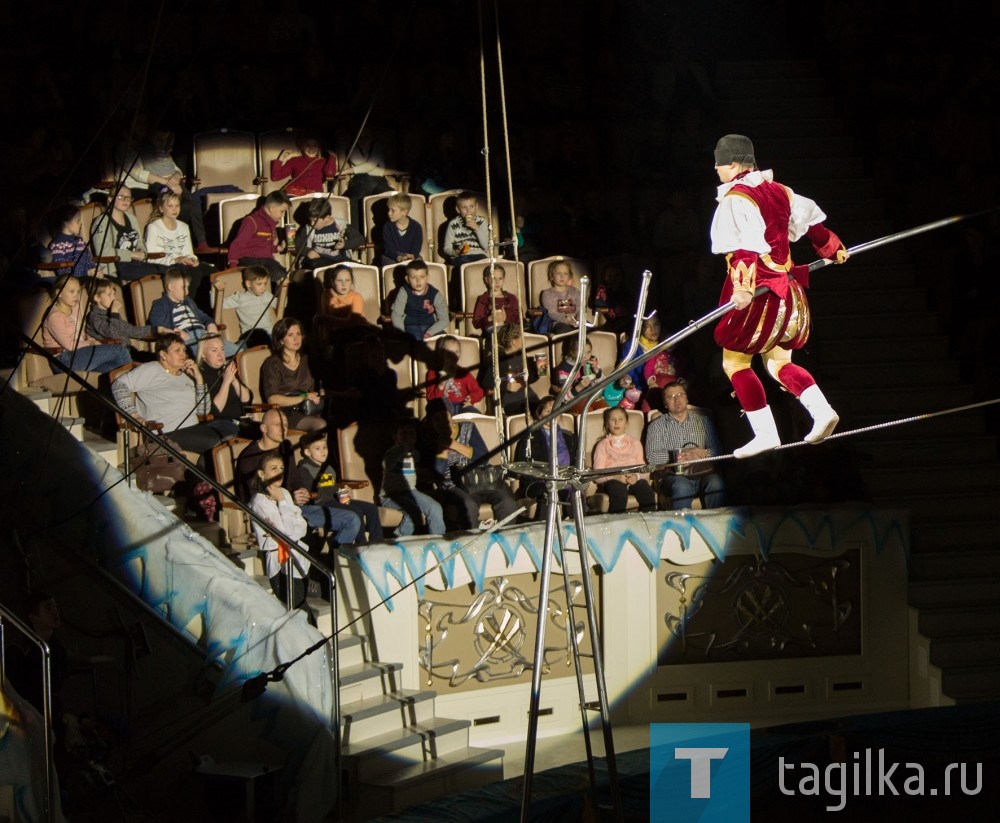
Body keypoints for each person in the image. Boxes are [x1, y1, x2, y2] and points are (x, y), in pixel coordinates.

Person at [710, 134, 847, 457]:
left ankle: (766, 433)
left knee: (735, 361)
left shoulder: (737, 198)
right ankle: (821, 410)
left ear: (731, 164)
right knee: (779, 362)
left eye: (718, 165)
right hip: (788, 290)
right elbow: (814, 224)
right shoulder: (781, 191)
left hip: (759, 290)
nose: (716, 171)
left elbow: (744, 246)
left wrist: (743, 288)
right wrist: (833, 248)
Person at [235, 409, 362, 545]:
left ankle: (333, 561)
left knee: (352, 519)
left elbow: (295, 479)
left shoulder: (286, 447)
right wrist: (286, 498)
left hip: (296, 507)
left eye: (285, 425)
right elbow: (253, 494)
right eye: (277, 425)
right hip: (271, 511)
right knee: (301, 529)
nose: (283, 429)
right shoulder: (249, 456)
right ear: (264, 428)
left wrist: (300, 490)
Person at [111, 333, 225, 458]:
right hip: (166, 432)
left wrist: (199, 379)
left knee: (229, 439)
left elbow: (203, 411)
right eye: (177, 350)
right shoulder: (151, 369)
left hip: (193, 428)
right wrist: (133, 415)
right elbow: (119, 385)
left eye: (184, 350)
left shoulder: (186, 376)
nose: (183, 354)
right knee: (217, 445)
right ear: (163, 354)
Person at [421, 402, 518, 531]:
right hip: (455, 485)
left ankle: (508, 540)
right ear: (431, 422)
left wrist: (454, 444)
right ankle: (471, 544)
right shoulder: (428, 441)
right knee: (468, 505)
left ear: (451, 416)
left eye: (445, 416)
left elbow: (483, 456)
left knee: (508, 502)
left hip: (484, 477)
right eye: (437, 419)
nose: (443, 422)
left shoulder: (468, 427)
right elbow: (439, 473)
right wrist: (442, 447)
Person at [645, 381, 726, 510]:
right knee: (682, 485)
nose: (677, 399)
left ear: (686, 398)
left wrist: (701, 454)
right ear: (665, 404)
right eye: (670, 397)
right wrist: (682, 454)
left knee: (716, 482)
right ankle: (681, 527)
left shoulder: (703, 421)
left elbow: (719, 451)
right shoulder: (657, 426)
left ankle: (717, 525)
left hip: (702, 473)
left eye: (680, 394)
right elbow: (652, 457)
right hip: (672, 476)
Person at [295, 430, 383, 544]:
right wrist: (334, 493)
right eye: (317, 449)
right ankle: (361, 544)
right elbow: (310, 493)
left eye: (325, 447)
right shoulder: (305, 469)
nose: (323, 452)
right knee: (356, 511)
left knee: (371, 508)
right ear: (307, 452)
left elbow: (332, 486)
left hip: (334, 499)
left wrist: (343, 492)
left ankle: (377, 542)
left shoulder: (328, 468)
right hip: (321, 503)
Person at [250, 453, 312, 612]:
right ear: (261, 473)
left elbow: (301, 527)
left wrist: (287, 511)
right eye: (273, 468)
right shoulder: (259, 501)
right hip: (279, 560)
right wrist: (283, 504)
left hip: (296, 554)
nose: (279, 473)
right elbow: (287, 533)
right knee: (298, 607)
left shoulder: (283, 492)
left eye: (281, 468)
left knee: (302, 603)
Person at [42, 275, 132, 373]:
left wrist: (91, 339)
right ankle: (135, 384)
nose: (76, 295)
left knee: (114, 366)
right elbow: (69, 345)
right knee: (120, 351)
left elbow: (82, 331)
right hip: (64, 360)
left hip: (81, 353)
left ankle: (122, 385)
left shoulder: (75, 307)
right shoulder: (55, 316)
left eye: (78, 292)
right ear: (58, 292)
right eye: (72, 292)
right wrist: (90, 343)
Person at [259, 317, 332, 431]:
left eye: (298, 334)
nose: (296, 338)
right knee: (320, 424)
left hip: (310, 407)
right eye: (290, 335)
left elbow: (317, 389)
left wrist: (344, 394)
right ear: (281, 340)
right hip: (287, 412)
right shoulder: (272, 364)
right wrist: (301, 399)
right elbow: (272, 399)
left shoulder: (307, 360)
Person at [147, 267, 236, 356]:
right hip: (187, 338)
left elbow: (202, 316)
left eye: (188, 288)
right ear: (170, 287)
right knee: (209, 357)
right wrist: (176, 333)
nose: (187, 291)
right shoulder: (160, 304)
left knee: (239, 354)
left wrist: (210, 324)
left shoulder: (188, 301)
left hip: (205, 334)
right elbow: (157, 326)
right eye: (183, 287)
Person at [380, 416, 446, 536]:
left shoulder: (415, 454)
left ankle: (437, 543)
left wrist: (425, 476)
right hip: (391, 495)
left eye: (411, 432)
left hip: (411, 492)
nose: (408, 435)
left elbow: (409, 471)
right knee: (413, 513)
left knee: (435, 508)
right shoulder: (392, 452)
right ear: (395, 437)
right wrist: (403, 448)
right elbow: (387, 465)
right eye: (403, 433)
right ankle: (397, 541)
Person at [144, 190, 213, 303]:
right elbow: (151, 257)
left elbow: (189, 252)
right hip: (166, 264)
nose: (174, 209)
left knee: (211, 272)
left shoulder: (183, 227)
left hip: (183, 263)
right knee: (195, 273)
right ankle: (186, 306)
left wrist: (193, 260)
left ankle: (205, 307)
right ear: (161, 208)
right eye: (170, 206)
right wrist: (175, 260)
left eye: (177, 205)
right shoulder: (154, 227)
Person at [89, 185, 164, 282]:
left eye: (128, 197)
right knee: (161, 271)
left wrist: (141, 251)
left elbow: (140, 241)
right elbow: (102, 251)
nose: (125, 200)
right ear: (110, 199)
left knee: (170, 270)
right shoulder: (101, 222)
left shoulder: (131, 218)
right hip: (116, 267)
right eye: (120, 197)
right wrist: (131, 255)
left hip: (135, 264)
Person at [591, 406, 656, 513]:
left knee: (646, 490)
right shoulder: (602, 445)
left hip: (633, 479)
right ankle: (618, 524)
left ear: (626, 424)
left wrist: (636, 476)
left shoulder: (635, 443)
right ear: (607, 424)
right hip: (612, 481)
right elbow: (597, 475)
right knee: (618, 490)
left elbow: (644, 469)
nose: (617, 423)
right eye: (612, 419)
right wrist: (615, 477)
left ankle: (648, 522)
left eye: (620, 419)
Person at [513, 396, 577, 504]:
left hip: (565, 481)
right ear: (539, 415)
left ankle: (575, 519)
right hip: (538, 483)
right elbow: (521, 465)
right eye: (548, 411)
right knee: (549, 491)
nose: (553, 413)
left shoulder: (570, 438)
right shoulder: (530, 438)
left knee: (576, 492)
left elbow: (575, 464)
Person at [226, 190, 291, 282]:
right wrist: (233, 267)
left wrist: (278, 248)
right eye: (282, 211)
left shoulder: (271, 223)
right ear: (272, 208)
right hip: (250, 260)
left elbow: (263, 245)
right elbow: (237, 245)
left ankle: (277, 296)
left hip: (266, 261)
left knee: (283, 275)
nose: (282, 215)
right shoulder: (251, 221)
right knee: (260, 277)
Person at [478, 322, 539, 417]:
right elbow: (486, 381)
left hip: (528, 396)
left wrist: (537, 369)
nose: (524, 339)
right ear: (515, 342)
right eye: (522, 337)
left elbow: (530, 379)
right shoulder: (499, 359)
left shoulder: (522, 355)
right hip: (511, 401)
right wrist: (506, 386)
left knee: (546, 407)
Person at [197, 333, 251, 438]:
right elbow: (216, 410)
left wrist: (234, 380)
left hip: (239, 420)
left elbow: (246, 400)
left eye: (222, 349)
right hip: (218, 423)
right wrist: (226, 382)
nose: (220, 354)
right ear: (203, 354)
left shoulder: (227, 369)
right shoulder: (200, 375)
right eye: (214, 350)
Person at [390, 259, 450, 341]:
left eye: (422, 277)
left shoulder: (435, 294)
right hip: (411, 326)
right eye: (413, 277)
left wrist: (430, 333)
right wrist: (402, 334)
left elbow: (444, 319)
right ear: (407, 279)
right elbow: (397, 315)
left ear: (427, 277)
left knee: (445, 341)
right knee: (417, 341)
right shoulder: (404, 291)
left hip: (431, 326)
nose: (418, 281)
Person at [424, 335, 484, 413]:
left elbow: (478, 391)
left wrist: (471, 398)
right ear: (441, 354)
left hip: (461, 405)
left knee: (474, 414)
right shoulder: (432, 373)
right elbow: (431, 398)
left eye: (456, 352)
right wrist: (441, 385)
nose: (453, 356)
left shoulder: (463, 373)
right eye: (449, 353)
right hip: (443, 408)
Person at [86, 278, 153, 347]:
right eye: (109, 294)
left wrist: (155, 330)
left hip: (126, 349)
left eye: (114, 294)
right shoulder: (94, 317)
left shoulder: (110, 313)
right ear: (97, 298)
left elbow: (130, 330)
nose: (114, 298)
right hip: (113, 353)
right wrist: (114, 312)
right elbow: (113, 334)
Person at [221, 264, 277, 346]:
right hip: (250, 335)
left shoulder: (267, 295)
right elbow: (220, 304)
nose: (263, 288)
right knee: (238, 348)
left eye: (265, 284)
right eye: (259, 284)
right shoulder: (240, 297)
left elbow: (281, 304)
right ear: (248, 284)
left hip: (268, 333)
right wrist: (218, 289)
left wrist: (284, 290)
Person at [299, 198, 360, 269]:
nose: (312, 223)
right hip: (317, 260)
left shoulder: (341, 225)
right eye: (311, 220)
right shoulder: (308, 228)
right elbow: (298, 244)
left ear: (327, 218)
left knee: (362, 268)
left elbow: (359, 239)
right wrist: (308, 251)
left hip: (339, 260)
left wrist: (345, 244)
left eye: (315, 220)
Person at [269, 133, 337, 196]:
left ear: (319, 147)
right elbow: (275, 177)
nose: (311, 148)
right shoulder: (294, 160)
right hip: (295, 194)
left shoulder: (323, 161)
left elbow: (330, 173)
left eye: (315, 145)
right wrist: (282, 156)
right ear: (302, 146)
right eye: (308, 145)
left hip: (315, 195)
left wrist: (332, 156)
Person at [46, 204, 102, 279]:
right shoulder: (57, 246)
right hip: (73, 282)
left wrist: (96, 271)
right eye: (78, 221)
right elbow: (63, 273)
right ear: (66, 223)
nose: (80, 223)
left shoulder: (80, 242)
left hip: (88, 278)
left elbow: (89, 261)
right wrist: (86, 272)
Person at [472, 263, 520, 338]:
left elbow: (519, 319)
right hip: (493, 330)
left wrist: (506, 318)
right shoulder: (483, 299)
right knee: (503, 336)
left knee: (515, 335)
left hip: (511, 329)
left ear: (504, 279)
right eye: (493, 278)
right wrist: (489, 318)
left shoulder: (511, 298)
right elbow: (476, 322)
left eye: (500, 278)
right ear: (486, 280)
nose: (497, 282)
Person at [552, 336, 604, 402]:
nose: (586, 356)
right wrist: (579, 387)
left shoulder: (592, 360)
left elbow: (604, 383)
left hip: (593, 398)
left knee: (605, 408)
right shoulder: (564, 370)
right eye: (582, 353)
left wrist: (596, 371)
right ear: (572, 352)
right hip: (575, 401)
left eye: (589, 352)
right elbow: (564, 398)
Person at [539, 259, 582, 333]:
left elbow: (580, 308)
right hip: (557, 323)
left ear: (569, 277)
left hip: (576, 322)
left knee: (589, 329)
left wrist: (578, 320)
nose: (562, 276)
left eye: (565, 273)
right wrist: (565, 320)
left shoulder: (575, 291)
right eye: (558, 273)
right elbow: (551, 313)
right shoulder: (547, 293)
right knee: (563, 330)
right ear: (552, 276)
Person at [381, 192, 424, 265]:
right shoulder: (387, 227)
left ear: (404, 212)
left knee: (419, 266)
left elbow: (416, 247)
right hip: (392, 257)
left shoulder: (416, 227)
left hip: (410, 256)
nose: (389, 213)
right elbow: (389, 249)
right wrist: (398, 257)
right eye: (389, 210)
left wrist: (412, 255)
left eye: (393, 210)